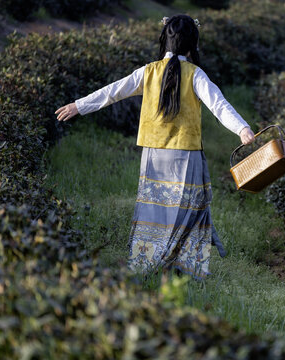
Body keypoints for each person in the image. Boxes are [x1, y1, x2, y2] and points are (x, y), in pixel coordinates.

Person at [55, 14, 255, 281]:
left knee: (154, 210)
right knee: (189, 210)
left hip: (153, 154)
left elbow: (113, 91)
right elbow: (219, 105)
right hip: (185, 154)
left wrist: (78, 106)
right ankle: (184, 268)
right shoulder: (196, 74)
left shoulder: (148, 72)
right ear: (191, 45)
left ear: (166, 40)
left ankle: (146, 263)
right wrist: (242, 128)